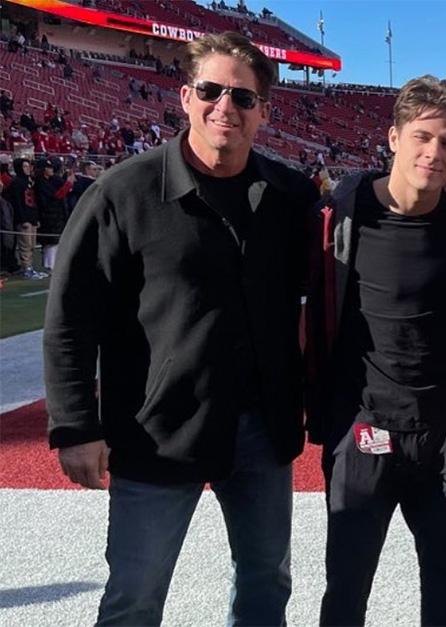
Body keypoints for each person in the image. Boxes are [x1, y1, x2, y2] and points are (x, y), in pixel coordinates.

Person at [43, 31, 318, 625]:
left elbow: (326, 289)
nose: (226, 108)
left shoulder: (290, 196)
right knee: (135, 597)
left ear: (263, 113)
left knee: (267, 583)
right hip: (156, 431)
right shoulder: (122, 192)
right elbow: (70, 318)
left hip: (261, 431)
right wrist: (73, 426)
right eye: (213, 91)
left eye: (243, 98)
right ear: (186, 96)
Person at [305, 75, 446, 626]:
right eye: (422, 137)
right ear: (393, 137)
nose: (433, 153)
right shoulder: (341, 214)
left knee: (444, 576)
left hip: (444, 430)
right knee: (347, 581)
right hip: (363, 427)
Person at [4, 158, 44, 279]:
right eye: (25, 166)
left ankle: (30, 267)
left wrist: (35, 218)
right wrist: (22, 219)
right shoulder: (16, 183)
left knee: (31, 245)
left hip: (31, 217)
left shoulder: (29, 181)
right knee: (25, 245)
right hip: (24, 219)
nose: (28, 169)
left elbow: (33, 202)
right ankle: (26, 268)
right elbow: (18, 203)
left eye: (28, 166)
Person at [32, 158, 72, 272]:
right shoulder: (40, 182)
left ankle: (53, 264)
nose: (51, 169)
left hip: (56, 215)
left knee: (56, 241)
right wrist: (68, 183)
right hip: (47, 216)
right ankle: (49, 265)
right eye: (48, 167)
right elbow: (56, 196)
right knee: (50, 242)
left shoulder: (52, 180)